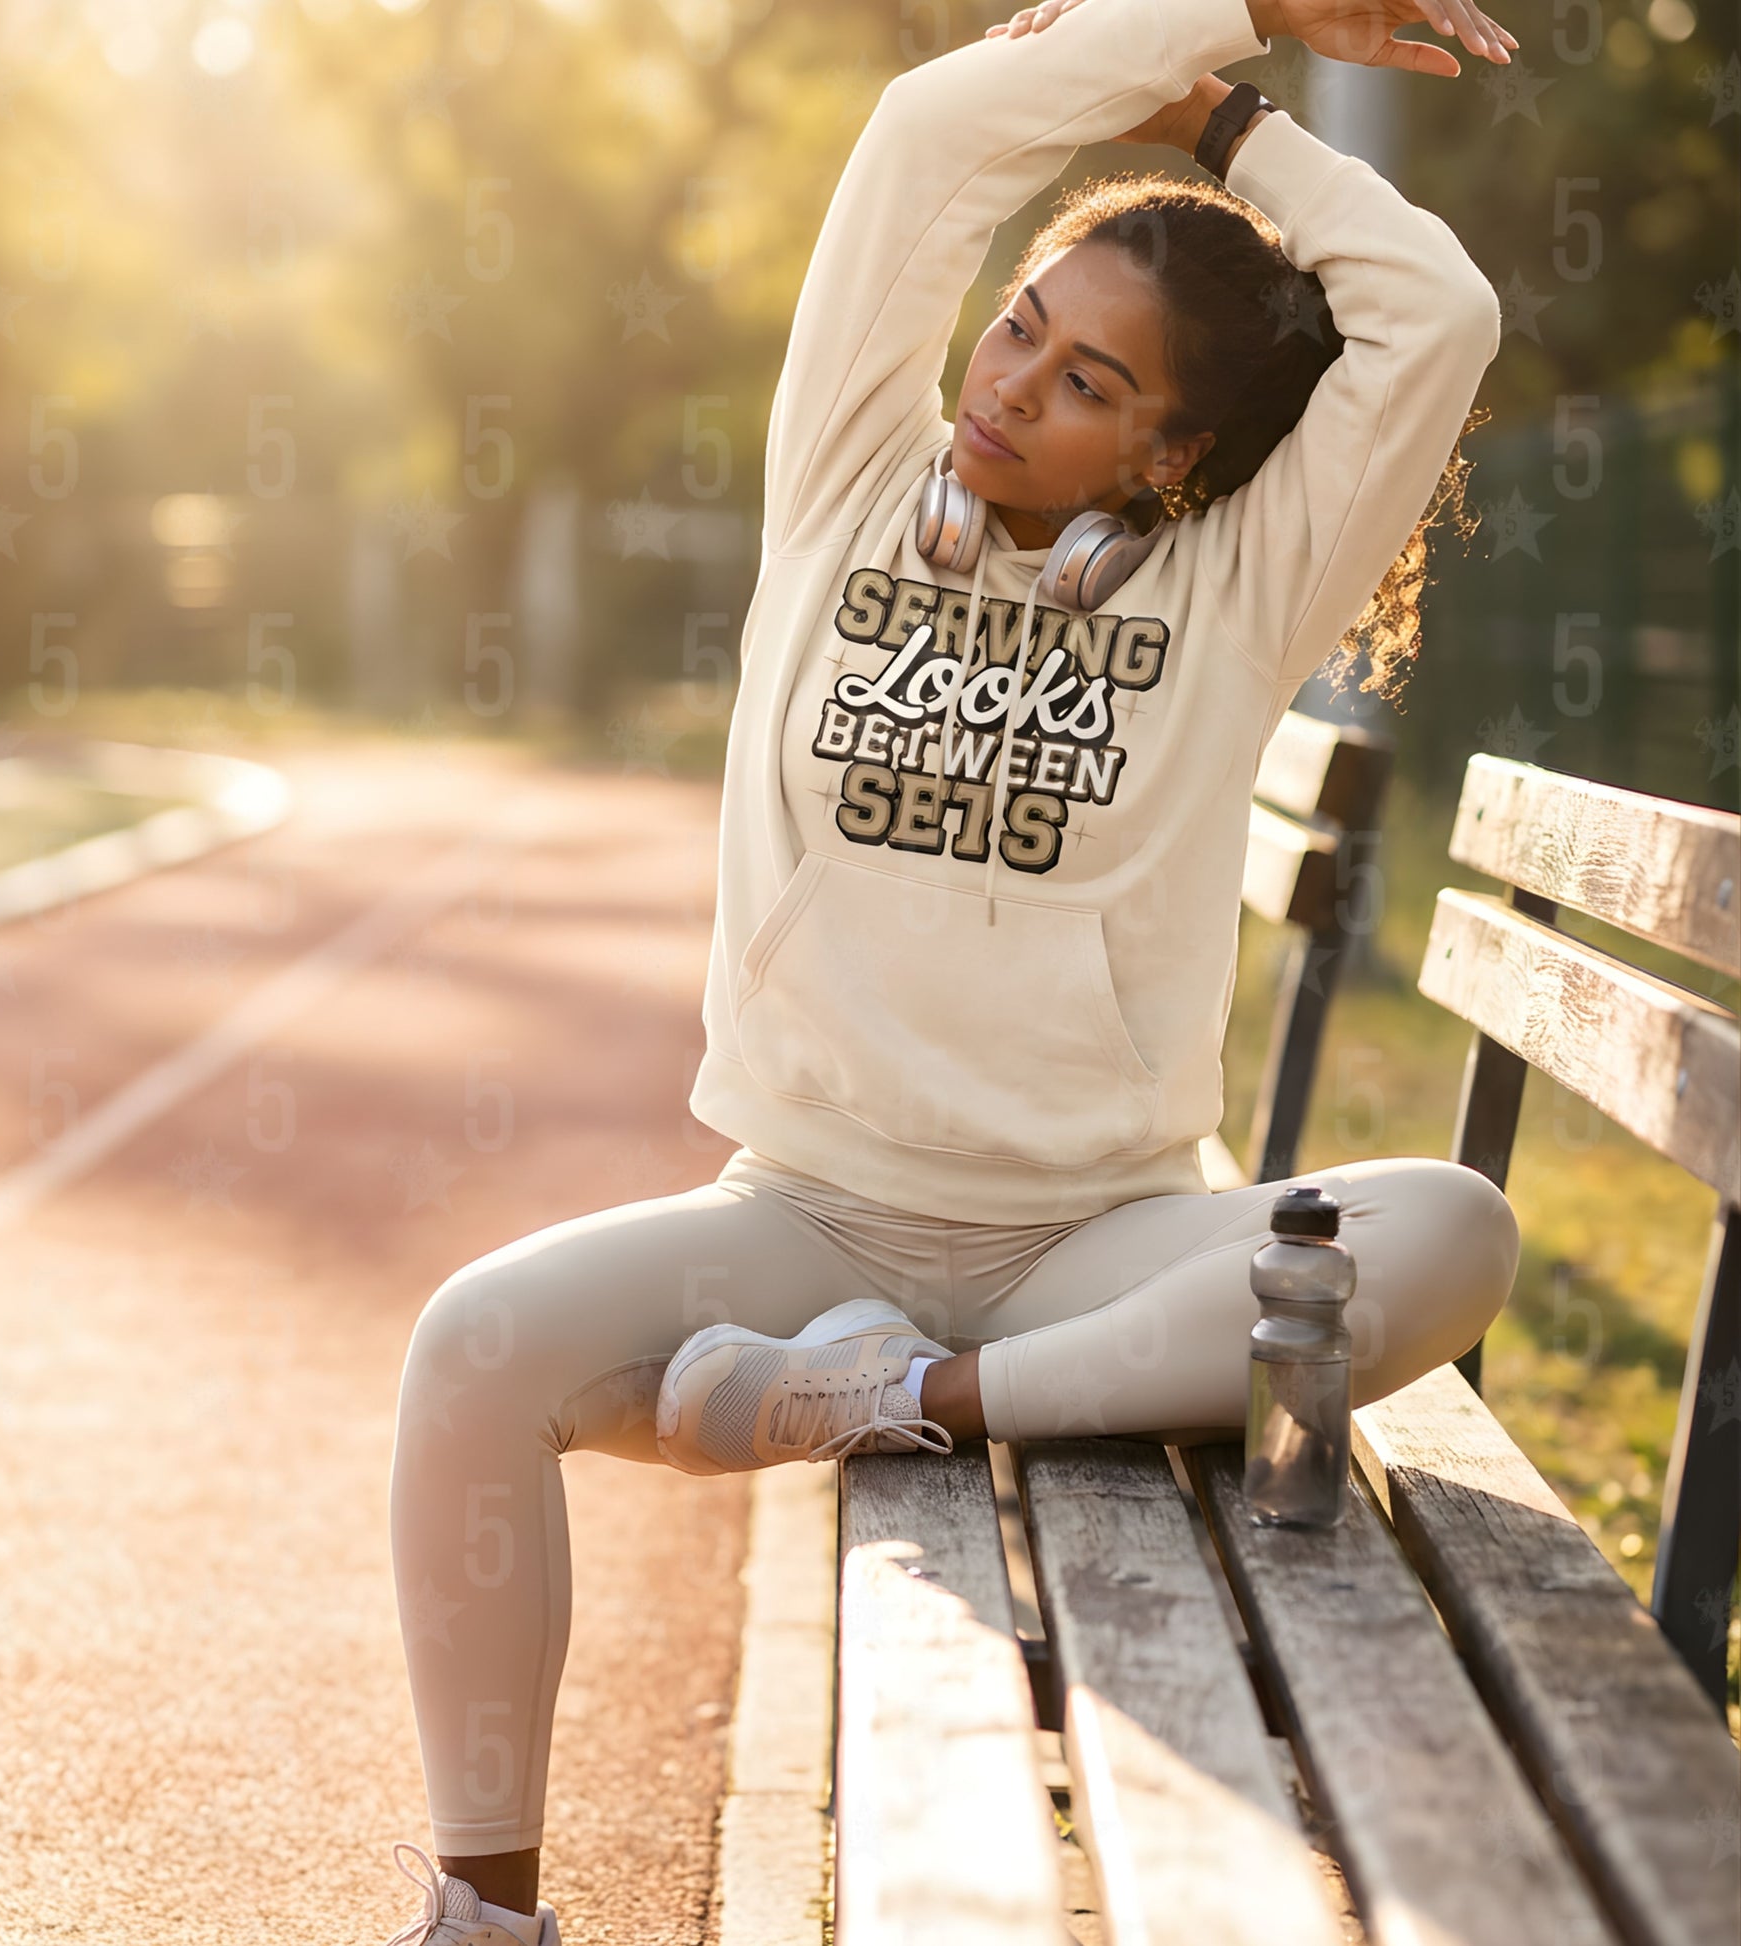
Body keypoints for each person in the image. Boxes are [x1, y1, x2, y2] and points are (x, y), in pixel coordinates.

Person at [379, 0, 1524, 1938]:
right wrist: (1227, 23)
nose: (1007, 388)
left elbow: (1441, 312)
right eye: (1017, 328)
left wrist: (1226, 129)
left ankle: (918, 1394)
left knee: (1450, 1230)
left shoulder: (1237, 589)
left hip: (1092, 1239)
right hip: (802, 1218)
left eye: (1088, 382)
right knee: (466, 1352)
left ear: (1172, 454)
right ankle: (480, 1916)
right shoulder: (843, 476)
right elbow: (927, 138)